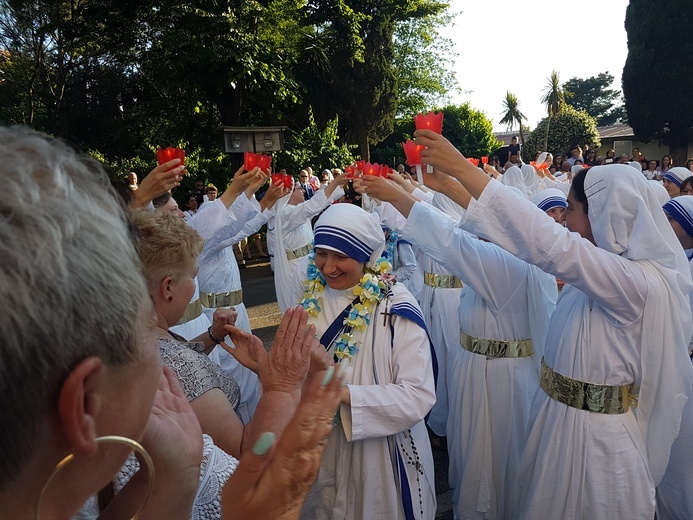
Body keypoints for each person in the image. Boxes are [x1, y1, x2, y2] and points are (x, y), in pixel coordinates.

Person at [0, 126, 347, 520]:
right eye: (137, 331)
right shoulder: (173, 399)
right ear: (84, 402)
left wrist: (164, 479)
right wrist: (283, 388)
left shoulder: (142, 468)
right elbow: (257, 482)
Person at [415, 129, 693, 520]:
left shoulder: (635, 283)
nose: (567, 223)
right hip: (562, 427)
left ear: (603, 216)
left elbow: (547, 243)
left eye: (572, 210)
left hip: (597, 447)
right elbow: (516, 237)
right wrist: (451, 184)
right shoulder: (607, 278)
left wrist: (463, 168)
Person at [362, 173, 557, 520]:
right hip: (480, 370)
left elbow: (449, 240)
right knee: (477, 455)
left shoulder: (506, 262)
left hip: (497, 381)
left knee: (492, 461)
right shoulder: (505, 254)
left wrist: (398, 197)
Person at [296, 203, 437, 520]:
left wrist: (341, 394)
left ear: (365, 256)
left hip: (381, 457)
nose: (328, 267)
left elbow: (418, 394)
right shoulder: (311, 298)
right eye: (321, 253)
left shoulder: (395, 305)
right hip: (322, 449)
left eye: (340, 256)